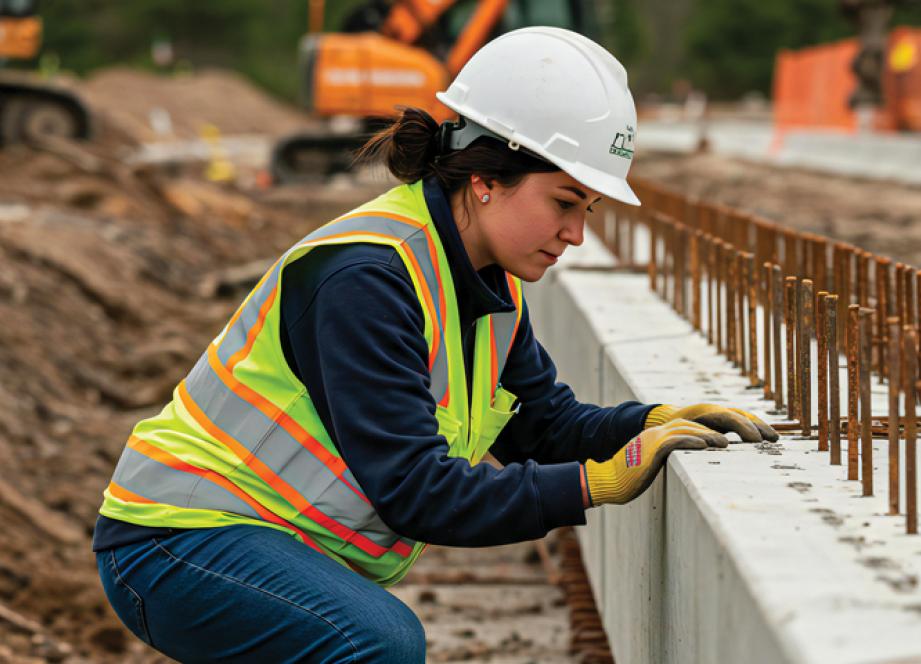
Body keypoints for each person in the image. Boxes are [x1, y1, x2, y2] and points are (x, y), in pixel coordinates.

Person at [93, 27, 777, 663]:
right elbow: (417, 492)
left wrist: (652, 423)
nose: (575, 233)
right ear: (484, 181)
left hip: (259, 536)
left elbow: (543, 424)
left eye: (586, 211)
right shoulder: (368, 281)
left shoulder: (485, 284)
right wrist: (591, 486)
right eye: (564, 203)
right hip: (174, 542)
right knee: (378, 645)